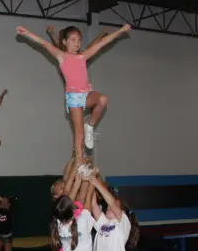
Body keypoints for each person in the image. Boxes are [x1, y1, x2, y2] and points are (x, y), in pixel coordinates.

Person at [16, 24, 131, 159]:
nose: (77, 43)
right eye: (73, 40)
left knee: (103, 99)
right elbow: (43, 43)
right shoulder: (62, 56)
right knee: (79, 133)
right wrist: (27, 32)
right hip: (74, 98)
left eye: (79, 40)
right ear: (65, 42)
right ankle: (79, 162)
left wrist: (121, 31)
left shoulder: (83, 56)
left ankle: (90, 125)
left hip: (87, 93)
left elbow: (102, 44)